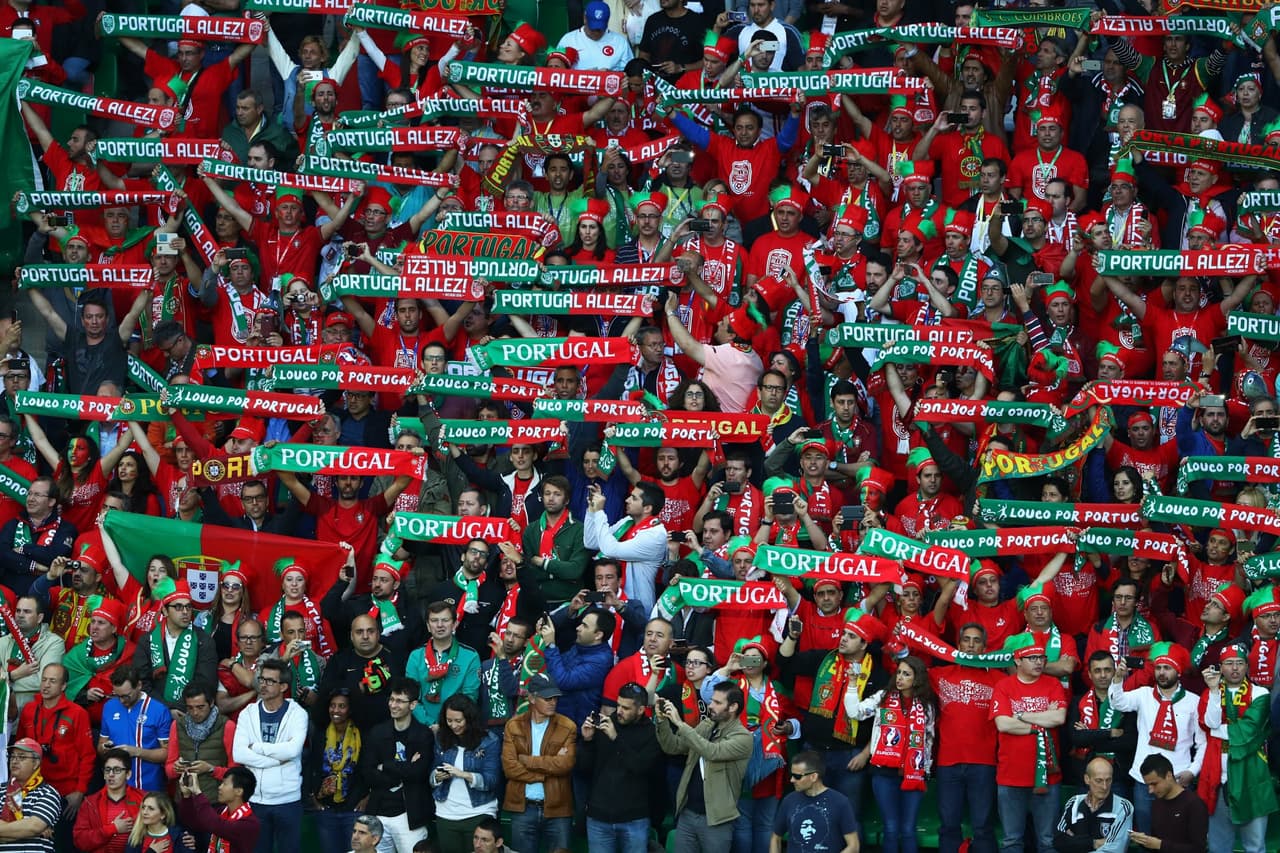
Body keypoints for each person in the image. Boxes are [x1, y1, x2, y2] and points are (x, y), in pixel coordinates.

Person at [1109, 643, 1205, 833]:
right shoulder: (1144, 694)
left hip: (1177, 778)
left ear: (1178, 672)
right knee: (1146, 834)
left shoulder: (1194, 701)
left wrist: (1193, 771)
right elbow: (1118, 702)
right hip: (1144, 780)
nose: (1161, 672)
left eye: (1167, 668)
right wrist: (1118, 678)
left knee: (1177, 836)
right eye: (1158, 668)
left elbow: (1202, 743)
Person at [990, 635, 1068, 853]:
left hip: (1047, 776)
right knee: (1012, 841)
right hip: (1011, 777)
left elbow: (1059, 718)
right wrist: (1041, 720)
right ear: (1017, 661)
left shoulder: (1053, 684)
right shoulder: (1003, 686)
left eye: (1041, 657)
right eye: (1032, 658)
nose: (1038, 662)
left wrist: (1021, 715)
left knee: (1048, 841)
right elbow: (1003, 724)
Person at [655, 681, 752, 851]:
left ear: (733, 707)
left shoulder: (743, 737)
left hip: (716, 820)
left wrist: (680, 723)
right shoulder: (707, 725)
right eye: (712, 700)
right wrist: (662, 721)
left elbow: (712, 752)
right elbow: (673, 746)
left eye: (717, 702)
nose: (711, 705)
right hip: (687, 813)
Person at [852, 656, 936, 853]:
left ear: (917, 679)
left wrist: (925, 770)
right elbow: (855, 712)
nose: (900, 678)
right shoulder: (883, 697)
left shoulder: (927, 705)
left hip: (913, 772)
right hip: (883, 773)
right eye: (898, 672)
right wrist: (853, 684)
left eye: (906, 674)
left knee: (908, 830)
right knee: (890, 828)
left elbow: (928, 740)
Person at [1197, 643, 1276, 853]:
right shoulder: (1209, 693)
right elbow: (1210, 722)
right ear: (1220, 667)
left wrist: (1215, 731)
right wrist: (1214, 690)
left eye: (1239, 663)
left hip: (1252, 775)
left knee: (1255, 845)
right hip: (1218, 776)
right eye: (1229, 663)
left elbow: (1249, 729)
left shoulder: (1260, 693)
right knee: (1218, 845)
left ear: (1247, 667)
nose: (1234, 668)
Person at [232, 658, 308, 853]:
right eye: (261, 679)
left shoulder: (297, 714)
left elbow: (292, 751)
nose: (263, 685)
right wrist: (276, 758)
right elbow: (239, 753)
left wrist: (256, 747)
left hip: (288, 801)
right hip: (256, 800)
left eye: (269, 681)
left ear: (283, 686)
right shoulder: (248, 713)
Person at [579, 681, 663, 853]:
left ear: (640, 710)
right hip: (599, 818)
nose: (619, 711)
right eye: (618, 705)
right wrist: (586, 742)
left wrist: (616, 739)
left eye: (626, 708)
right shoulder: (606, 725)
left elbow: (640, 767)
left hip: (634, 819)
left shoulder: (651, 733)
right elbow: (583, 768)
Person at [501, 673, 577, 853]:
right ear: (532, 698)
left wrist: (526, 760)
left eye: (555, 698)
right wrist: (545, 772)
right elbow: (510, 768)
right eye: (547, 698)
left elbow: (565, 764)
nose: (553, 702)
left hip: (558, 809)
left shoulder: (568, 726)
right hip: (523, 806)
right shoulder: (513, 725)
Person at [360, 678, 434, 853]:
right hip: (379, 813)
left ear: (413, 704)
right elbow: (368, 773)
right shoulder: (378, 732)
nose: (394, 705)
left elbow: (419, 774)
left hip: (409, 816)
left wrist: (385, 766)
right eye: (392, 699)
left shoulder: (423, 735)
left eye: (400, 701)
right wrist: (405, 768)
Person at [15, 663, 93, 823]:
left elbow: (88, 756)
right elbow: (20, 750)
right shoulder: (29, 709)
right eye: (44, 680)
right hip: (32, 789)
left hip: (66, 792)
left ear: (63, 685)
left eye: (52, 681)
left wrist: (80, 791)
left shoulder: (78, 713)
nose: (46, 685)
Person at [133, 580, 219, 711]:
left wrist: (180, 709)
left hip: (192, 713)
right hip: (155, 712)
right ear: (165, 611)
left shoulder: (204, 641)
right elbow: (142, 684)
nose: (185, 612)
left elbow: (206, 684)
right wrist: (167, 709)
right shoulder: (147, 641)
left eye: (188, 607)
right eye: (178, 607)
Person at [430, 695, 501, 853]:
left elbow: (492, 780)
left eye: (458, 721)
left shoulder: (489, 740)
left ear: (469, 718)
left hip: (479, 811)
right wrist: (437, 776)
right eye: (449, 721)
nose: (453, 725)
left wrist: (464, 774)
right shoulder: (441, 737)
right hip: (446, 813)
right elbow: (432, 773)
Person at [303, 690, 366, 853]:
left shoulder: (361, 735)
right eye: (332, 705)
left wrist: (367, 797)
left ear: (350, 709)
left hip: (353, 810)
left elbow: (368, 769)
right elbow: (311, 767)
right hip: (326, 809)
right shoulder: (320, 734)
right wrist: (313, 798)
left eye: (341, 706)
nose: (336, 710)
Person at [99, 666, 173, 793]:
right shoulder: (109, 707)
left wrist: (137, 752)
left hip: (149, 788)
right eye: (118, 696)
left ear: (139, 685)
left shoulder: (159, 710)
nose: (122, 701)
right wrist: (104, 748)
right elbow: (100, 745)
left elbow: (167, 753)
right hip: (117, 790)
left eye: (126, 696)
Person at [406, 602, 481, 727]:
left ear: (455, 624)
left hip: (457, 728)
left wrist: (448, 726)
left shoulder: (470, 656)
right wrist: (430, 724)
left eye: (445, 620)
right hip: (423, 728)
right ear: (428, 626)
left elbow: (470, 697)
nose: (440, 625)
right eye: (434, 621)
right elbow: (410, 697)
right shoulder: (416, 656)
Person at [770, 751, 858, 853]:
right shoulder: (789, 801)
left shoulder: (840, 803)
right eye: (791, 775)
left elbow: (853, 846)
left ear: (813, 777)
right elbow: (775, 838)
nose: (792, 780)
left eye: (797, 776)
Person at [166, 682, 237, 806]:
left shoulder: (227, 726)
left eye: (200, 707)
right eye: (190, 708)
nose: (195, 712)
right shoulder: (177, 726)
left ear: (211, 703)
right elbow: (168, 769)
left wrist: (211, 769)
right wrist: (177, 768)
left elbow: (236, 773)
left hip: (215, 801)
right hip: (185, 799)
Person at [1053, 755, 1134, 853]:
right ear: (1087, 779)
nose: (1104, 787)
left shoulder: (1123, 807)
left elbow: (1115, 849)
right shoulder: (1074, 802)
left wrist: (1075, 843)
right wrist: (1094, 843)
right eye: (1099, 781)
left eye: (1108, 780)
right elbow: (1058, 842)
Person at [0, 595, 64, 718]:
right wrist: (14, 675)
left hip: (32, 715)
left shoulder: (54, 643)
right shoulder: (2, 642)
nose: (20, 615)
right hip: (2, 715)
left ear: (39, 618)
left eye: (27, 611)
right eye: (18, 611)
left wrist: (4, 681)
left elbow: (44, 682)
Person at [1132, 753, 1208, 853]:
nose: (1150, 790)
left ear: (1168, 776)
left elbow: (1198, 849)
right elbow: (1159, 845)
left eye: (1154, 784)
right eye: (1148, 785)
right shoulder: (1157, 803)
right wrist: (1144, 842)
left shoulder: (1194, 804)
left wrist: (1159, 845)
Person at [73, 748, 144, 853]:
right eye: (107, 770)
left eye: (117, 770)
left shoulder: (143, 799)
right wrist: (113, 828)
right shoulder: (90, 803)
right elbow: (80, 841)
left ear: (128, 774)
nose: (111, 774)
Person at [176, 766, 261, 853]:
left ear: (238, 791)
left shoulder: (250, 823)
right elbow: (193, 821)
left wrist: (198, 793)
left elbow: (217, 825)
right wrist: (187, 796)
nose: (220, 787)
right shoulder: (221, 812)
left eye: (224, 784)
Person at [0, 738, 63, 853]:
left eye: (22, 757)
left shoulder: (48, 792)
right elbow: (32, 829)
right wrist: (27, 829)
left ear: (36, 763)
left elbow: (33, 826)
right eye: (13, 756)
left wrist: (32, 830)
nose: (14, 761)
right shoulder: (0, 790)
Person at [123, 792, 193, 853]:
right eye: (143, 807)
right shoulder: (136, 836)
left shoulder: (178, 836)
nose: (144, 812)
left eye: (151, 809)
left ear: (163, 814)